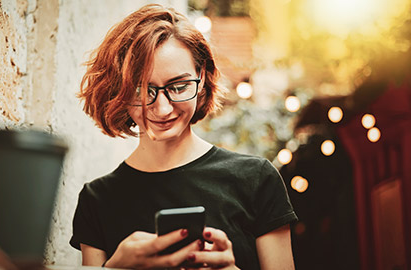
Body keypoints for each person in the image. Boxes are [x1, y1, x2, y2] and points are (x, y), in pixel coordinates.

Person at [70, 4, 298, 269]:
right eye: (142, 90)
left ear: (201, 78)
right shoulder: (97, 199)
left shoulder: (256, 179)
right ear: (118, 89)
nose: (163, 108)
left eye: (178, 86)